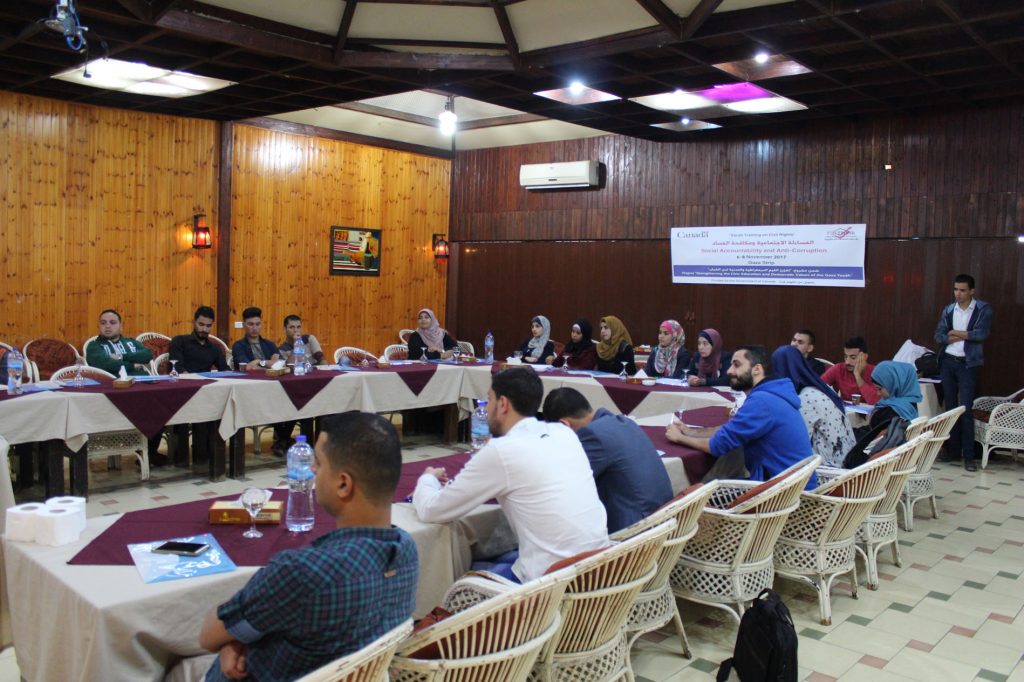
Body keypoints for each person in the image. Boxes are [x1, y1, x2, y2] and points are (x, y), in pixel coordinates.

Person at [193, 412, 418, 682]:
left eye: (318, 463)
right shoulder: (407, 550)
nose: (312, 469)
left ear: (343, 484)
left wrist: (233, 640)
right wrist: (238, 640)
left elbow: (208, 637)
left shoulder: (302, 571)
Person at [412, 367, 608, 583]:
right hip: (601, 570)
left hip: (549, 585)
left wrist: (427, 478)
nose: (486, 409)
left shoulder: (501, 451)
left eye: (489, 400)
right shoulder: (564, 433)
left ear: (503, 404)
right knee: (499, 554)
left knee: (459, 575)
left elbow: (433, 510)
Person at [667, 345, 813, 485]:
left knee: (698, 493)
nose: (729, 371)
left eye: (736, 365)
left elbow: (717, 446)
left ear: (757, 369)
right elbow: (730, 429)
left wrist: (680, 438)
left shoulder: (762, 401)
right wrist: (688, 430)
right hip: (789, 485)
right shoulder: (771, 393)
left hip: (781, 493)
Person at [542, 387, 672, 533]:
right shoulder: (623, 421)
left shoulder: (592, 435)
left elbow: (565, 483)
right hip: (663, 519)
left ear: (564, 425)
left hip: (636, 532)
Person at [934, 274, 992, 472]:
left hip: (968, 364)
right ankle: (952, 451)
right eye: (955, 290)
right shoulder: (949, 309)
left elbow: (981, 334)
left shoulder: (982, 309)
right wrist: (957, 336)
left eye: (962, 290)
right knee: (950, 408)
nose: (958, 294)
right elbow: (939, 335)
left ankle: (969, 456)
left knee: (965, 409)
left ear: (972, 291)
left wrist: (955, 333)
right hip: (948, 362)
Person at [772, 345, 856, 468]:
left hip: (829, 471)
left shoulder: (806, 399)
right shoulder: (823, 389)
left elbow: (795, 444)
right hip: (846, 464)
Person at [85, 309, 153, 376]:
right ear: (99, 326)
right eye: (103, 323)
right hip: (115, 382)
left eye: (112, 322)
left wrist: (122, 357)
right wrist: (133, 365)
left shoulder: (131, 342)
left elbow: (148, 354)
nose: (107, 326)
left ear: (120, 326)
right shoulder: (94, 346)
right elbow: (106, 365)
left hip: (142, 380)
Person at [820, 336, 880, 404]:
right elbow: (818, 386)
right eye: (846, 357)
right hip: (846, 409)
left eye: (853, 357)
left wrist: (857, 376)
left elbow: (875, 401)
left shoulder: (876, 372)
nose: (847, 362)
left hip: (870, 410)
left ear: (864, 357)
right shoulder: (839, 369)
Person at [169, 306, 228, 373]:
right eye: (201, 324)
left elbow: (225, 370)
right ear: (194, 322)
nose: (204, 329)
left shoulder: (214, 348)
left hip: (206, 379)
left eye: (208, 326)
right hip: (184, 379)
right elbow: (177, 368)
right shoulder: (179, 341)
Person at [867, 361, 922, 430]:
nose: (878, 393)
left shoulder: (891, 412)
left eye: (879, 389)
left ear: (893, 384)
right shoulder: (910, 405)